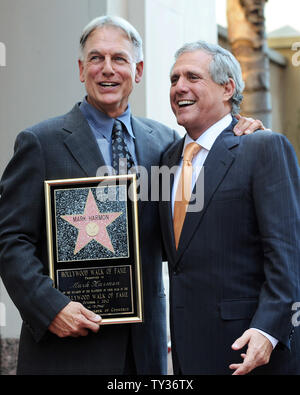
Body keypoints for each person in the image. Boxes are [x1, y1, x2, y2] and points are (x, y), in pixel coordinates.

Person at [0, 16, 262, 375]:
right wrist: (49, 307)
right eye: (96, 58)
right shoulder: (40, 143)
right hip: (68, 350)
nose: (107, 69)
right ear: (81, 69)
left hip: (145, 351)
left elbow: (197, 226)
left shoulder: (168, 144)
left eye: (119, 59)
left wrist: (239, 131)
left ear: (137, 71)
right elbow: (10, 239)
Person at [159, 40, 300, 375]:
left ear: (228, 88)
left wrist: (269, 331)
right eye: (174, 79)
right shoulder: (165, 161)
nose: (179, 87)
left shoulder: (262, 147)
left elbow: (288, 253)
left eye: (192, 77)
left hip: (251, 352)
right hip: (188, 353)